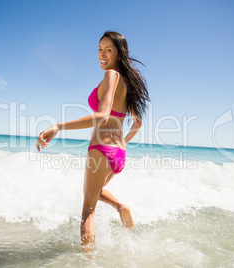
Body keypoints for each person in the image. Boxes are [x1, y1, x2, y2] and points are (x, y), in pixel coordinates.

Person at [36, 31, 150, 250]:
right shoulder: (130, 83)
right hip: (118, 154)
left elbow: (103, 115)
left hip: (101, 149)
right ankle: (120, 207)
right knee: (94, 193)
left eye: (109, 50)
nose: (102, 55)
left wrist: (58, 126)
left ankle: (86, 262)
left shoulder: (111, 76)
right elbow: (138, 123)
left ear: (119, 53)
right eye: (100, 49)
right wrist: (123, 143)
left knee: (88, 209)